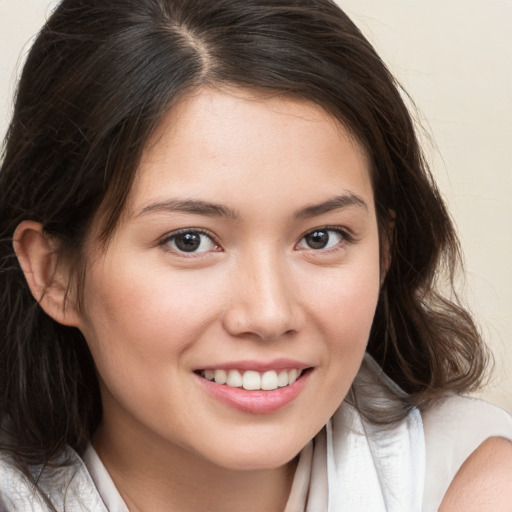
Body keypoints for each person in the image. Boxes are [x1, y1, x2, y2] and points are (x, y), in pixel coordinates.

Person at [0, 0, 511, 511]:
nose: (269, 314)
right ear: (54, 273)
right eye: (190, 241)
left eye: (321, 237)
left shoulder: (472, 485)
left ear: (385, 251)